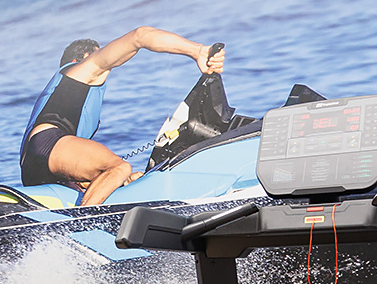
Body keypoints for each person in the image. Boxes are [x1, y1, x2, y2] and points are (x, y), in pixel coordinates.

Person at [18, 28, 226, 206]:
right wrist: (197, 50)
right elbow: (139, 36)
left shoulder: (63, 91)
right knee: (119, 167)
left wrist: (125, 182)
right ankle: (78, 225)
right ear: (84, 57)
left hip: (35, 166)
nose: (107, 71)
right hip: (48, 144)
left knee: (127, 179)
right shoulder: (81, 71)